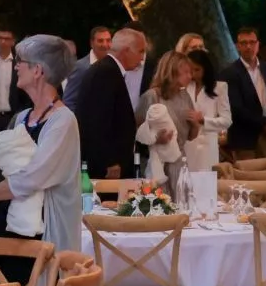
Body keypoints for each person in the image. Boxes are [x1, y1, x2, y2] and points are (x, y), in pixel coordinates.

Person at [0, 35, 84, 253]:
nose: (16, 67)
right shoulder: (21, 117)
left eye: (21, 62)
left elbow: (33, 177)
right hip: (8, 227)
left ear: (38, 71)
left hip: (41, 237)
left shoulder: (63, 121)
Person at [72, 25, 141, 179]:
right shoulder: (106, 72)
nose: (142, 58)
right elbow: (96, 121)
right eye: (140, 51)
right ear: (126, 50)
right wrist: (109, 161)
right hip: (107, 167)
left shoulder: (108, 70)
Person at [221, 27, 266, 167]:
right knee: (248, 181)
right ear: (237, 46)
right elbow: (236, 108)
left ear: (258, 44)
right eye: (244, 43)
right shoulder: (229, 73)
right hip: (244, 136)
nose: (248, 46)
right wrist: (264, 124)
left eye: (252, 42)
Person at [136, 51, 198, 195]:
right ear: (172, 72)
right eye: (186, 72)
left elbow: (190, 137)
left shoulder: (184, 96)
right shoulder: (152, 96)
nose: (190, 76)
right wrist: (156, 139)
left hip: (179, 162)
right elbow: (137, 131)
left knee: (181, 205)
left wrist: (195, 124)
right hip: (158, 162)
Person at [183, 48, 231, 172]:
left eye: (197, 70)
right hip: (187, 144)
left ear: (206, 68)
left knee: (205, 183)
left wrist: (204, 120)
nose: (192, 74)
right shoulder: (184, 87)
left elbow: (226, 120)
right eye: (190, 70)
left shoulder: (219, 87)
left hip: (207, 146)